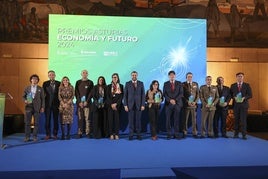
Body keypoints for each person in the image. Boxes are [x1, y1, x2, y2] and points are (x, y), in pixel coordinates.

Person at [123, 71, 145, 140]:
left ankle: (138, 134)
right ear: (131, 76)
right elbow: (125, 95)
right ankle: (131, 134)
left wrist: (143, 105)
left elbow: (143, 95)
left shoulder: (141, 83)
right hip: (130, 105)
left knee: (138, 120)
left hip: (139, 105)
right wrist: (125, 105)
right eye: (133, 75)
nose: (134, 76)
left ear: (137, 75)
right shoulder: (127, 83)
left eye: (135, 75)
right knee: (131, 121)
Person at [230, 72, 252, 140]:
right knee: (236, 120)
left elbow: (250, 95)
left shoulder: (247, 85)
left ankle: (244, 135)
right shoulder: (233, 85)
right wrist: (234, 97)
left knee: (243, 121)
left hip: (244, 105)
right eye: (239, 76)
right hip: (236, 105)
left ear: (243, 77)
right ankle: (236, 134)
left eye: (241, 76)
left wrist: (244, 98)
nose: (240, 77)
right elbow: (230, 94)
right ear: (236, 77)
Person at [23, 74, 45, 142]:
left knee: (36, 123)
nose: (35, 80)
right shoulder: (27, 88)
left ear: (38, 81)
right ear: (31, 80)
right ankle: (27, 137)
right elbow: (23, 96)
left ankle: (34, 137)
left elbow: (43, 98)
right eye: (33, 79)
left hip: (37, 108)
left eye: (36, 79)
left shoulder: (40, 88)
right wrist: (25, 100)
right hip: (28, 107)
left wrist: (42, 107)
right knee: (27, 123)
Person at [163, 70, 183, 140]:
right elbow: (164, 94)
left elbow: (181, 93)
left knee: (176, 120)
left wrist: (175, 100)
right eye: (170, 75)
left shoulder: (179, 83)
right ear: (169, 76)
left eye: (173, 75)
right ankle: (169, 134)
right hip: (168, 104)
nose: (172, 76)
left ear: (175, 76)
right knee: (168, 120)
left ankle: (176, 134)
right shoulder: (165, 84)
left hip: (177, 104)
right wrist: (170, 100)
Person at [75, 70, 94, 138]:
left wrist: (87, 101)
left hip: (87, 104)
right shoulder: (78, 82)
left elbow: (91, 93)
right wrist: (79, 102)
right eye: (83, 73)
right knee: (80, 118)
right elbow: (76, 93)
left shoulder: (90, 82)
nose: (84, 74)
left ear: (87, 74)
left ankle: (88, 132)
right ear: (81, 74)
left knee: (87, 118)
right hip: (80, 104)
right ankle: (79, 132)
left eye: (86, 73)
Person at [42, 70, 61, 140]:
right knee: (47, 121)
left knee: (56, 120)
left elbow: (61, 93)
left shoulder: (59, 83)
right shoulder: (45, 83)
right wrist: (42, 105)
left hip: (56, 105)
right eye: (50, 75)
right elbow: (43, 95)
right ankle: (48, 134)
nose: (51, 76)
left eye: (53, 74)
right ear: (48, 76)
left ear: (55, 75)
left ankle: (55, 134)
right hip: (47, 105)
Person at [106, 73, 124, 140]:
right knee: (110, 120)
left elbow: (122, 96)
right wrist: (111, 104)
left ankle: (116, 134)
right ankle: (111, 134)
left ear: (118, 78)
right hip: (110, 106)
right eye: (113, 77)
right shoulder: (108, 86)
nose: (115, 78)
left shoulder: (121, 86)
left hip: (117, 106)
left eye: (116, 77)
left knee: (117, 120)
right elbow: (107, 96)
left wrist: (116, 104)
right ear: (112, 78)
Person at [182, 72, 199, 138]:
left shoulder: (196, 84)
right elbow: (182, 95)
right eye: (188, 76)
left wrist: (195, 102)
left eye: (191, 76)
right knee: (185, 120)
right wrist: (187, 101)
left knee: (194, 120)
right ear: (186, 77)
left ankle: (195, 133)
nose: (190, 78)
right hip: (186, 105)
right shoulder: (183, 84)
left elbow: (198, 94)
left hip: (194, 105)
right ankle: (184, 132)